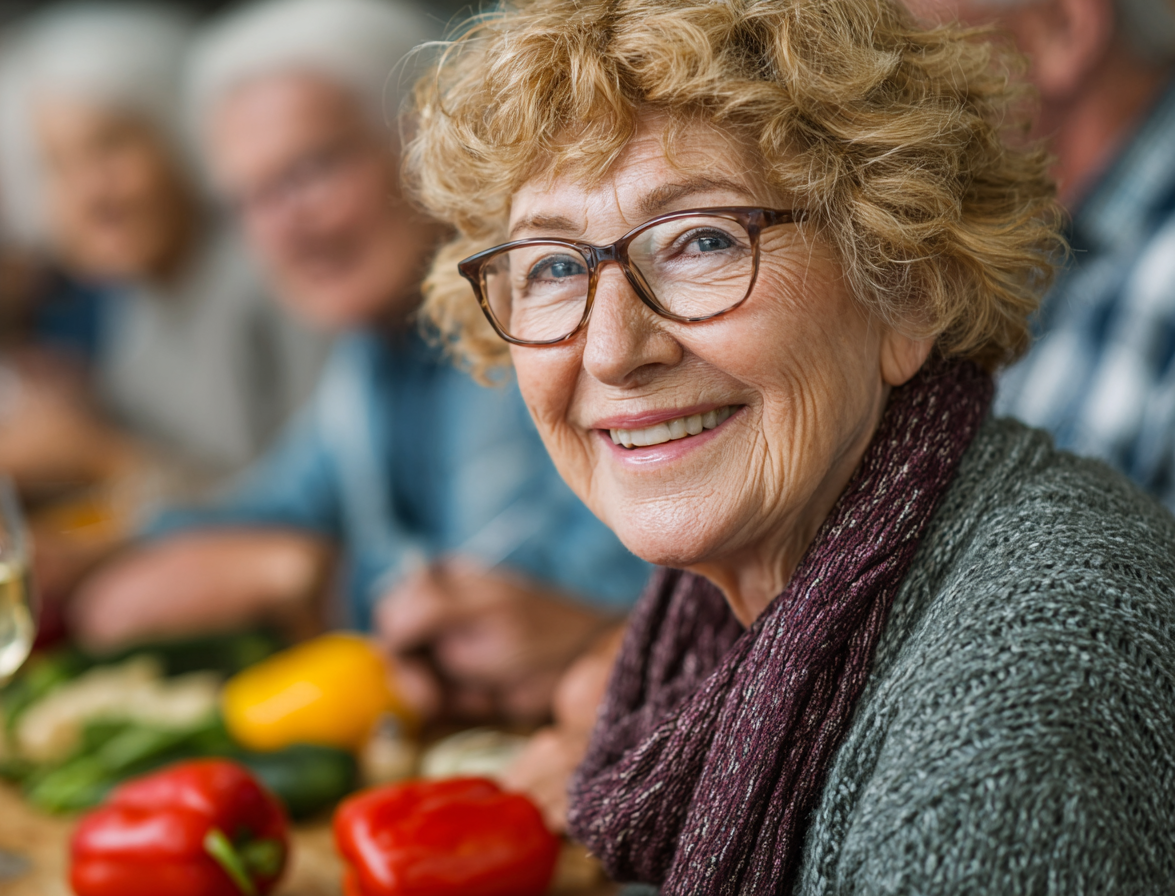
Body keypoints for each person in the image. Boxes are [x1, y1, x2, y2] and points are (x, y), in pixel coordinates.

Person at [408, 0, 1175, 890]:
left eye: (701, 241)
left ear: (907, 285)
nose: (613, 350)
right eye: (551, 265)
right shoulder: (722, 628)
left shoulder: (1009, 724)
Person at [68, 0, 651, 724]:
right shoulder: (373, 353)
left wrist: (313, 575)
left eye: (312, 170)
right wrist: (87, 549)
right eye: (249, 199)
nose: (285, 228)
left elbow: (519, 604)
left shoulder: (532, 323)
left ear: (427, 143)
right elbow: (275, 504)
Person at [0, 2, 326, 492]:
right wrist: (78, 408)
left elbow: (303, 513)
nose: (90, 193)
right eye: (57, 166)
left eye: (110, 147)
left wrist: (97, 455)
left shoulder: (274, 274)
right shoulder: (137, 291)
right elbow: (162, 445)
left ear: (183, 133)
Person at [907, 0, 1175, 508]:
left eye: (920, 52)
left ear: (1064, 31)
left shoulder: (1160, 269)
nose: (885, 105)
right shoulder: (1032, 239)